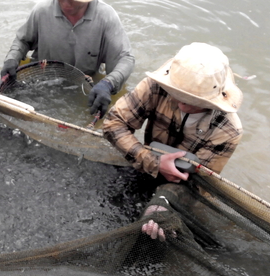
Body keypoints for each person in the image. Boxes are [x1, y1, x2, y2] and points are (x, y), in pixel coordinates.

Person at [103, 43, 243, 242]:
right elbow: (113, 123)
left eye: (191, 101)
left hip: (181, 186)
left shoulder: (228, 131)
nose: (181, 103)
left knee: (159, 225)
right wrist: (153, 162)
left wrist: (162, 203)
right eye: (177, 94)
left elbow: (199, 183)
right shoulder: (154, 87)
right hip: (145, 163)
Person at [0, 0, 135, 118]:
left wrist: (108, 83)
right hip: (42, 82)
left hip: (82, 88)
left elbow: (125, 58)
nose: (65, 2)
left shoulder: (106, 17)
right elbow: (23, 40)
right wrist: (12, 58)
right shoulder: (41, 11)